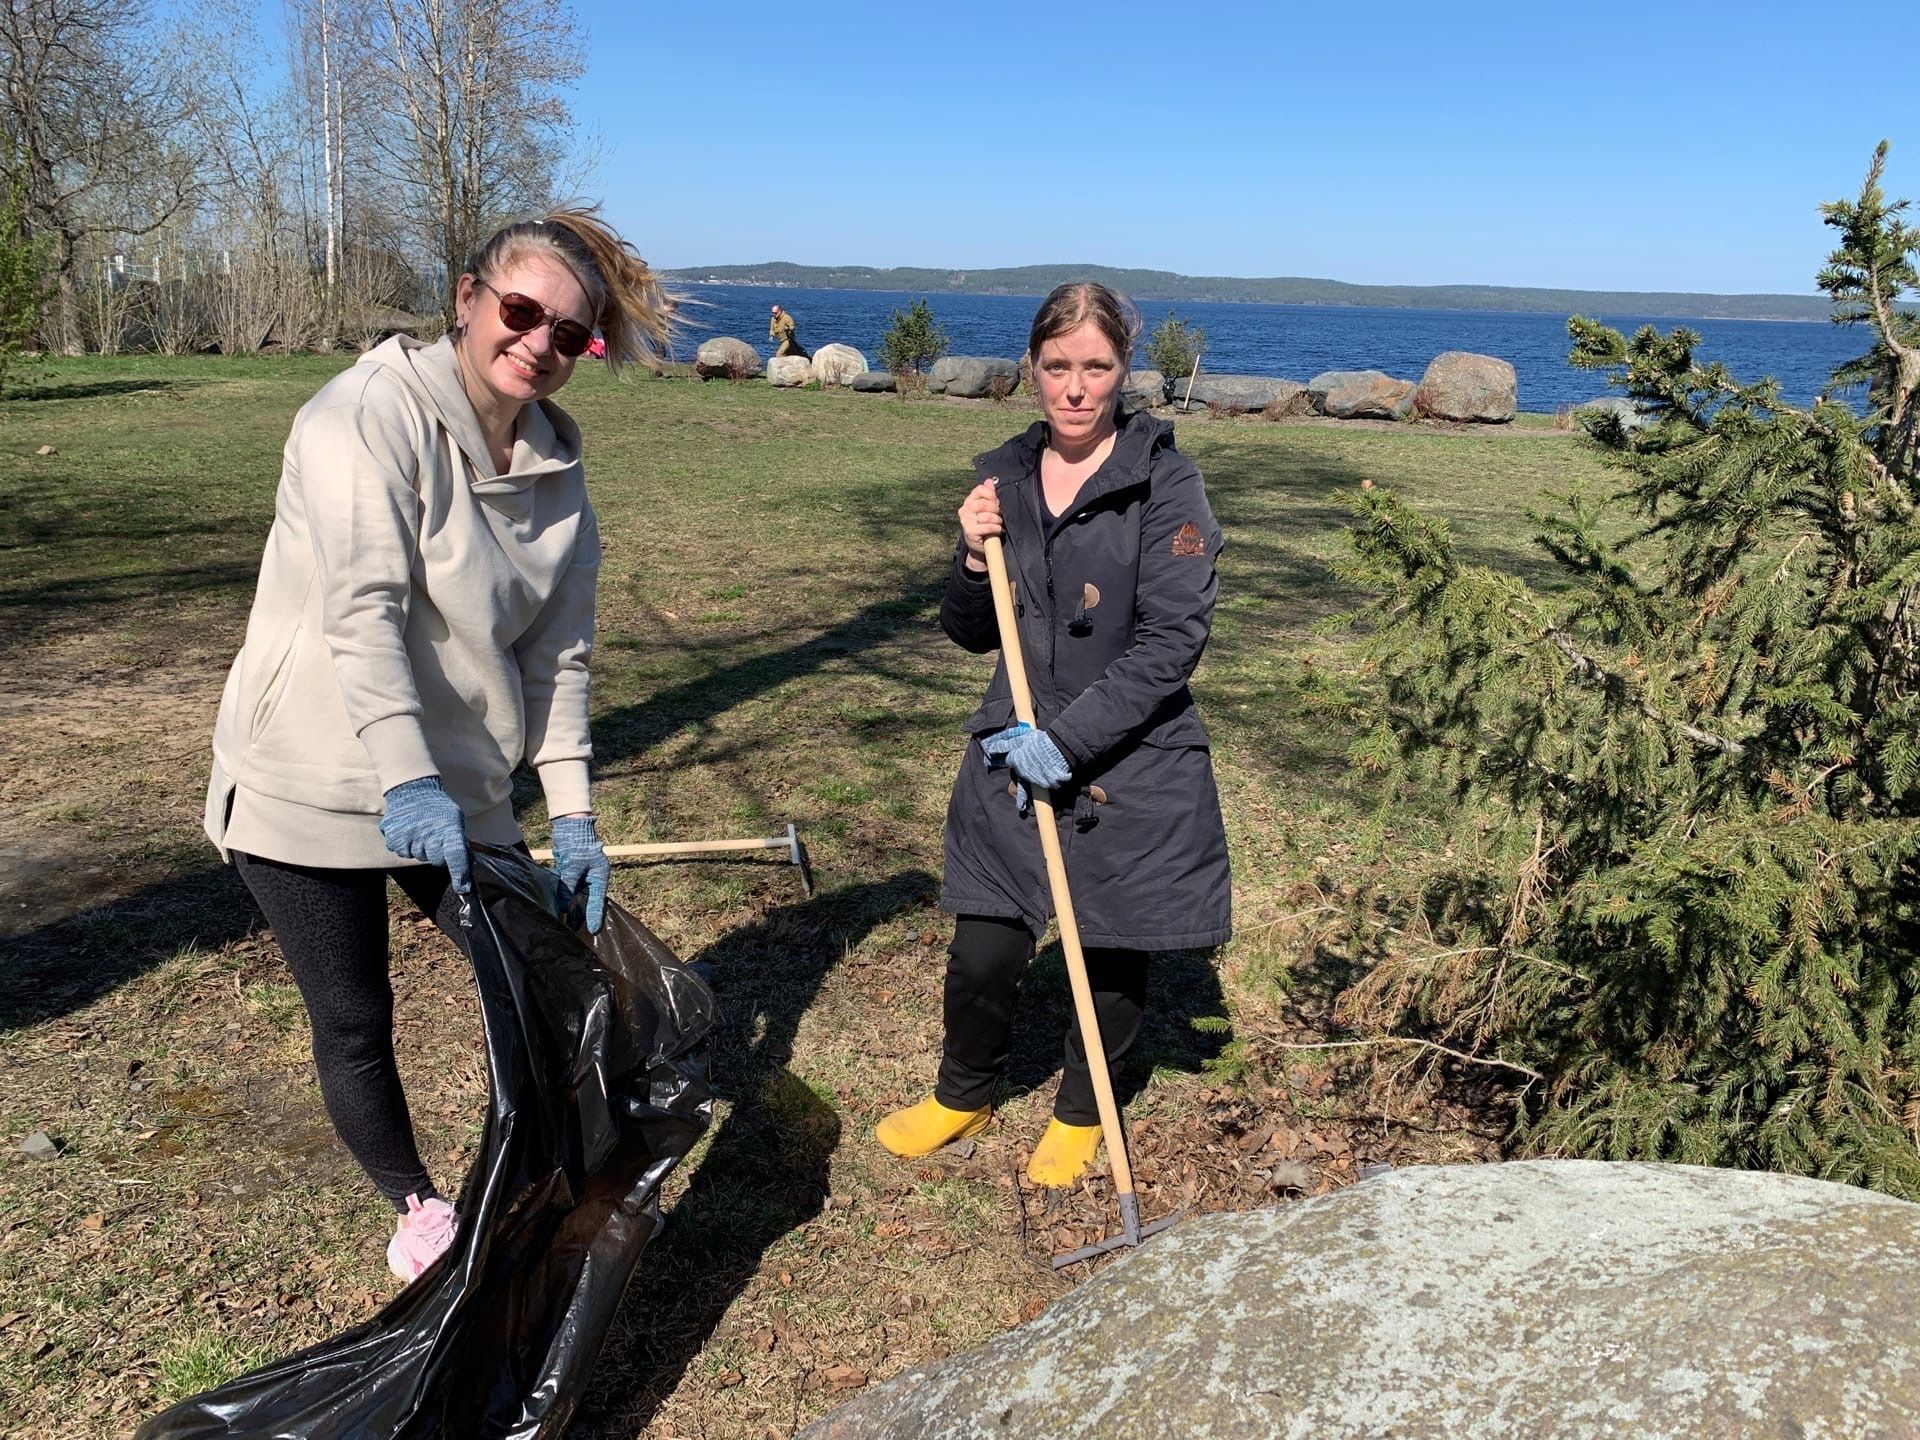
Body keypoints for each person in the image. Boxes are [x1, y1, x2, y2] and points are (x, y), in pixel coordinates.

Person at [203, 208, 673, 1281]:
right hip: (312, 769)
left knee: (543, 981)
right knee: (354, 1015)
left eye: (570, 333)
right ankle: (416, 1208)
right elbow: (362, 610)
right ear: (467, 299)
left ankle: (543, 1177)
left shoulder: (558, 473)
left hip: (458, 777)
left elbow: (560, 660)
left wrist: (574, 814)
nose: (539, 344)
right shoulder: (362, 417)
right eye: (521, 311)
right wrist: (404, 779)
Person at [875, 282, 1232, 1187]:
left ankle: (1081, 1111)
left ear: (1124, 369)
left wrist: (1067, 745)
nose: (1076, 387)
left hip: (1128, 756)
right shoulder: (1004, 479)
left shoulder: (1166, 483)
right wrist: (969, 555)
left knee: (1108, 946)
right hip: (1012, 745)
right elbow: (970, 631)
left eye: (1096, 367)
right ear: (1032, 366)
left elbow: (1171, 643)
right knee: (985, 943)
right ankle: (963, 1093)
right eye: (1058, 365)